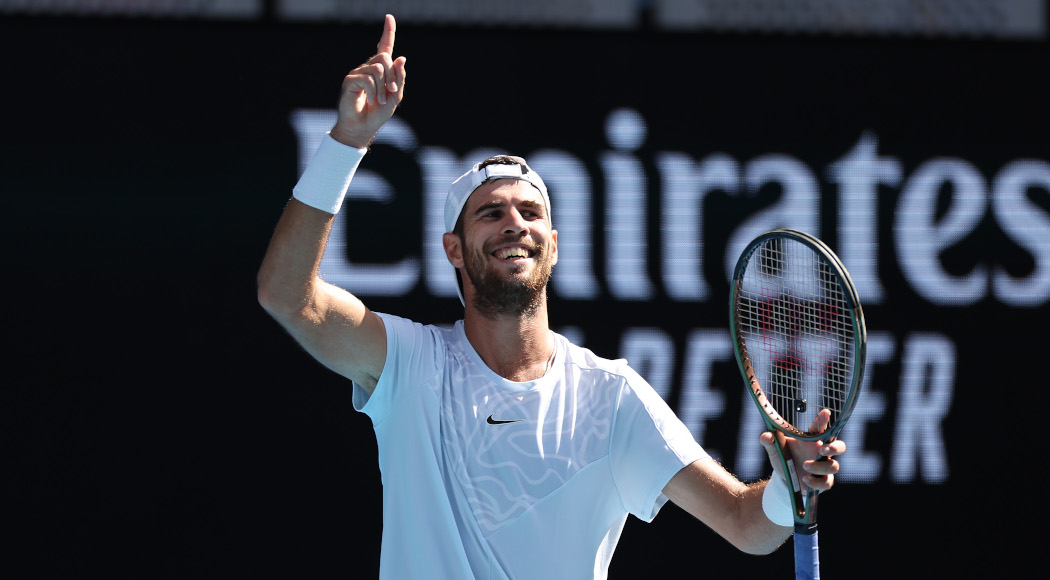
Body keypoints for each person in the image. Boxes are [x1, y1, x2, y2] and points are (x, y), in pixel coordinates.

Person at [257, 14, 846, 579]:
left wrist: (783, 492)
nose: (514, 224)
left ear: (554, 245)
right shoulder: (410, 363)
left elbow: (746, 524)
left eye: (530, 212)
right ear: (454, 250)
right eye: (491, 213)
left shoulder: (612, 396)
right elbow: (287, 295)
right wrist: (347, 142)